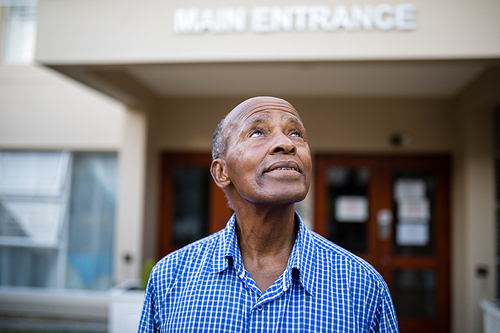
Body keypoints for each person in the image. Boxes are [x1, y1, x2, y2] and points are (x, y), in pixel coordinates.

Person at [138, 96, 399, 332]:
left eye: (296, 133)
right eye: (257, 132)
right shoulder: (170, 277)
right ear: (221, 172)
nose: (286, 144)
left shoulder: (362, 286)